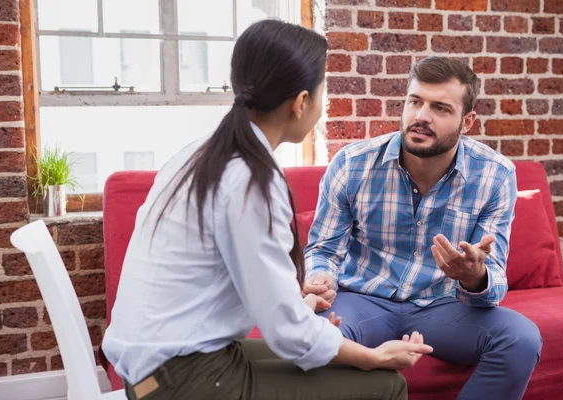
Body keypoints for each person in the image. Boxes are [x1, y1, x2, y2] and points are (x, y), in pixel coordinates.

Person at [102, 19, 433, 400]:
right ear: (301, 102)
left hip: (156, 370)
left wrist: (297, 303)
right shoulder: (250, 180)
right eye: (322, 92)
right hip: (181, 381)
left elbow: (232, 283)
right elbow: (289, 333)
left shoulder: (200, 153)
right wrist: (372, 357)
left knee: (333, 356)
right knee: (386, 385)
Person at [302, 56, 543, 400]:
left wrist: (473, 275)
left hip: (443, 306)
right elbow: (324, 250)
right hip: (363, 301)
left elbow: (494, 281)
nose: (421, 116)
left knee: (521, 337)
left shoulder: (495, 175)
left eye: (441, 108)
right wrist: (322, 279)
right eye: (415, 102)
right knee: (315, 336)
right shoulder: (352, 163)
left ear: (467, 121)